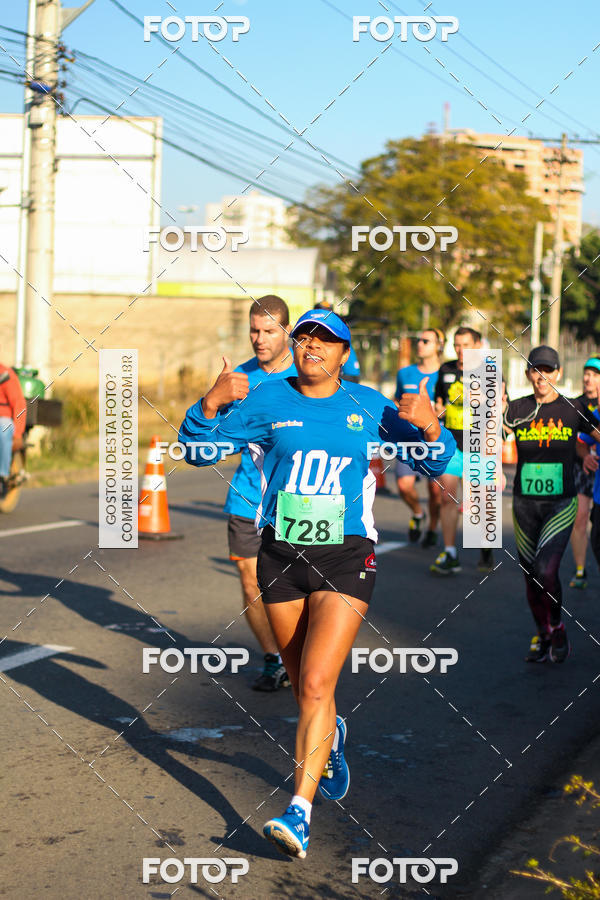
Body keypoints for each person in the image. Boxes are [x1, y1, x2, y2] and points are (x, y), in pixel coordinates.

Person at [179, 309, 455, 859]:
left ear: (343, 355)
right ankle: (333, 738)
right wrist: (208, 405)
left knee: (313, 686)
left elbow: (434, 464)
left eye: (326, 341)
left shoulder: (369, 405)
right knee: (304, 678)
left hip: (347, 557)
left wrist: (428, 426)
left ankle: (299, 810)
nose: (313, 346)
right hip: (280, 556)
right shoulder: (265, 399)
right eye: (305, 337)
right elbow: (197, 450)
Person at [503, 346, 600, 664]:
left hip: (561, 503)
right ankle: (542, 633)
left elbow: (595, 433)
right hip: (524, 505)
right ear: (528, 374)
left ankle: (556, 625)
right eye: (535, 370)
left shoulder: (573, 410)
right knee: (531, 575)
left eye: (547, 370)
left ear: (558, 374)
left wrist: (587, 454)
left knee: (547, 570)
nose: (541, 376)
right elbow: (489, 441)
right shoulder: (516, 409)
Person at [223, 295, 296, 692]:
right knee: (250, 580)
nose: (259, 338)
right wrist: (214, 402)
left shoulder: (305, 375)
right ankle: (275, 660)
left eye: (269, 331)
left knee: (296, 585)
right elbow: (215, 441)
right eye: (254, 330)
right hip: (247, 495)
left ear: (286, 331)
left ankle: (299, 654)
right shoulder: (240, 378)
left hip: (298, 499)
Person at [431, 326, 493, 573]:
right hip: (452, 445)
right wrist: (437, 411)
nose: (460, 350)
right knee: (447, 497)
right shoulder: (446, 370)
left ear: (477, 345)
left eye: (465, 344)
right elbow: (438, 402)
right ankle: (450, 553)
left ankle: (485, 548)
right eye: (456, 345)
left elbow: (499, 406)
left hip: (478, 444)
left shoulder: (488, 370)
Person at [394, 328, 444, 546]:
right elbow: (396, 399)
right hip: (408, 436)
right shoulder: (405, 373)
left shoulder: (445, 373)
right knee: (404, 485)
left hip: (435, 437)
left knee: (435, 490)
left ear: (439, 345)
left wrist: (440, 411)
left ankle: (433, 528)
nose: (420, 344)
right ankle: (417, 513)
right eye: (419, 340)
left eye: (426, 341)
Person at [569, 358, 600, 588]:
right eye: (586, 373)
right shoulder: (575, 405)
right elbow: (574, 440)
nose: (589, 378)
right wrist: (585, 455)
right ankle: (580, 570)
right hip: (582, 467)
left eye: (595, 374)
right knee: (580, 518)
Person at [0, 364, 26, 479]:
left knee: (3, 429)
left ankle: (2, 474)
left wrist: (18, 434)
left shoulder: (5, 375)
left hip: (4, 417)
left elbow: (19, 404)